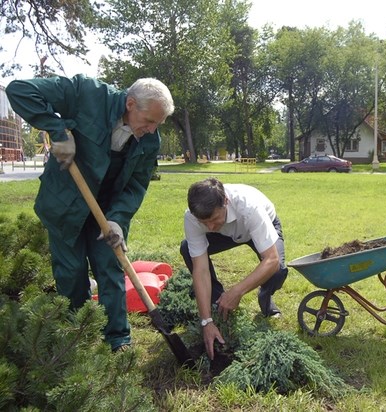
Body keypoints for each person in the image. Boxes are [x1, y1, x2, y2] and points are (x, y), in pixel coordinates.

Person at [6, 74, 174, 352]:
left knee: (110, 267)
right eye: (149, 121)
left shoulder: (149, 140)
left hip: (106, 211)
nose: (152, 129)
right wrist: (58, 132)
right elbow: (20, 90)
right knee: (71, 273)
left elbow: (136, 185)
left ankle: (117, 339)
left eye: (158, 123)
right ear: (130, 103)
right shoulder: (86, 93)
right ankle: (77, 338)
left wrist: (118, 219)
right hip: (65, 203)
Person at [180, 177, 288, 359]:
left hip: (259, 226)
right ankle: (218, 306)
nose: (210, 227)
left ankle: (265, 298)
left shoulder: (249, 207)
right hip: (227, 233)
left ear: (226, 202)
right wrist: (205, 321)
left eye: (214, 219)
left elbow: (271, 259)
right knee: (187, 249)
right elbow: (201, 270)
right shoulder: (192, 218)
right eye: (204, 223)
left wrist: (237, 291)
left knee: (277, 271)